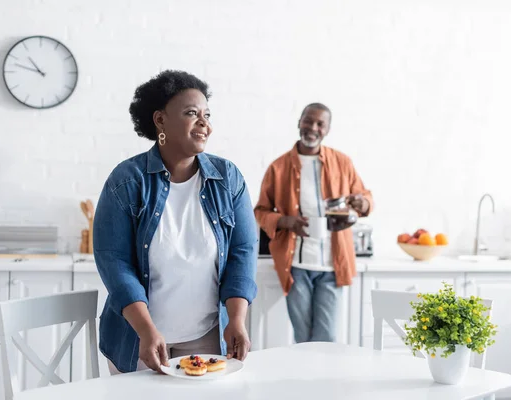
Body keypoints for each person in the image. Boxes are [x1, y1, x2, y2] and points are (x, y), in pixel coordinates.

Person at [93, 70, 258, 374]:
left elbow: (243, 251)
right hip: (138, 339)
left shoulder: (228, 178)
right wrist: (146, 329)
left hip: (207, 338)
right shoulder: (127, 181)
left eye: (207, 115)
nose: (204, 123)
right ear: (160, 120)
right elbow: (114, 261)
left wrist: (236, 320)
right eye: (191, 113)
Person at [254, 103, 373, 343]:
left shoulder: (343, 162)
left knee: (326, 338)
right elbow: (260, 211)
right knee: (302, 337)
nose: (313, 128)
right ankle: (303, 381)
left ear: (327, 129)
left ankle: (323, 380)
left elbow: (365, 197)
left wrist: (362, 204)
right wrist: (286, 221)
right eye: (308, 121)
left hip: (332, 265)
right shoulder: (278, 168)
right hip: (295, 266)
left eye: (320, 124)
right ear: (299, 122)